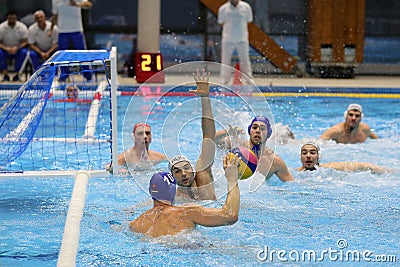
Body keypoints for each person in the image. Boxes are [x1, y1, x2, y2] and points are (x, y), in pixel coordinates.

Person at [129, 153, 240, 238]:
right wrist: (232, 179)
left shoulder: (136, 224)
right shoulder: (187, 212)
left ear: (150, 191)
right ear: (173, 190)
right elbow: (230, 215)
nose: (183, 173)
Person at [168, 70, 217, 200]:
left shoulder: (202, 175)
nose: (184, 174)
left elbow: (208, 136)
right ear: (172, 177)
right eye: (177, 171)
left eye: (186, 168)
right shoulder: (176, 196)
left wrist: (205, 98)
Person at [215, 116, 294, 183]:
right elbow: (210, 140)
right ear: (250, 131)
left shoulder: (274, 162)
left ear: (268, 134)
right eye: (255, 127)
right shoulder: (237, 146)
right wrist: (226, 132)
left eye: (262, 128)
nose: (257, 131)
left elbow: (292, 186)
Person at [51, 0, 92, 81]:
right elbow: (55, 15)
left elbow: (89, 5)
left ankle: (88, 76)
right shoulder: (55, 1)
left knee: (82, 54)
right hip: (62, 31)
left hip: (77, 30)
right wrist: (51, 28)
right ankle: (64, 76)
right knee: (62, 55)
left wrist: (78, 4)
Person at [218, 0, 253, 84]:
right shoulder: (223, 9)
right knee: (226, 60)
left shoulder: (246, 7)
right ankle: (224, 80)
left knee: (245, 60)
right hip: (228, 40)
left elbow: (249, 20)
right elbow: (221, 22)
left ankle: (249, 79)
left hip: (242, 39)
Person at [298, 142, 385, 173]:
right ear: (300, 157)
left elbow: (362, 166)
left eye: (312, 153)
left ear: (319, 157)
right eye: (304, 153)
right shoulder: (292, 174)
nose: (308, 156)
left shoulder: (330, 168)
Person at [0, 10, 29, 82]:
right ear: (7, 18)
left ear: (16, 18)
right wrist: (6, 48)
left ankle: (17, 74)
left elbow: (26, 41)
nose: (12, 20)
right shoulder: (1, 27)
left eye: (14, 18)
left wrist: (17, 48)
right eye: (10, 18)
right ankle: (5, 74)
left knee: (25, 52)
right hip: (5, 49)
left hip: (18, 49)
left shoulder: (22, 27)